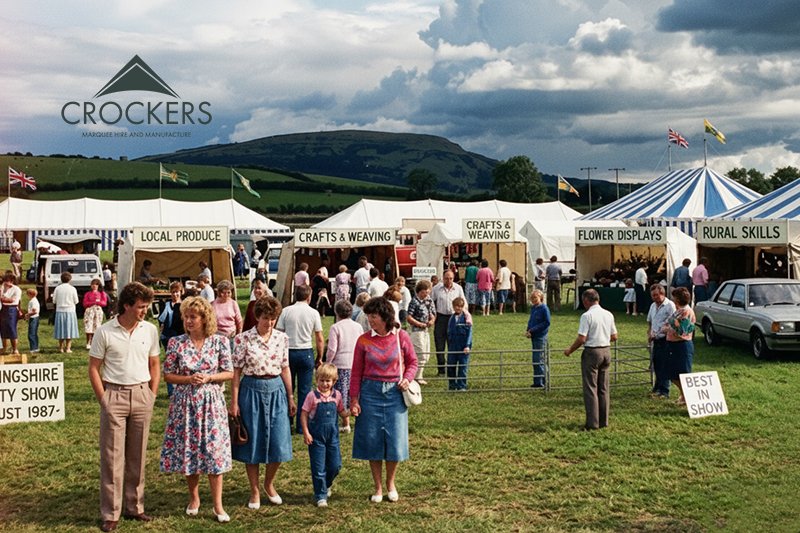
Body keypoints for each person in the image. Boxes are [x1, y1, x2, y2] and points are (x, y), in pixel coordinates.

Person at [88, 282, 160, 532]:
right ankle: (111, 513)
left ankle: (135, 506)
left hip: (141, 394)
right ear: (127, 306)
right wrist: (104, 400)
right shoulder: (105, 331)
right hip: (114, 395)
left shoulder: (150, 330)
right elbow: (93, 368)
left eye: (146, 306)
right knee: (112, 457)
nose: (145, 311)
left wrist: (151, 395)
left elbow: (155, 364)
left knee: (138, 455)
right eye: (141, 307)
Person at [160, 296, 234, 523]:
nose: (189, 321)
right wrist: (187, 379)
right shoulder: (176, 343)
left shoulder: (219, 341)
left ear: (204, 318)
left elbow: (229, 372)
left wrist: (209, 377)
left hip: (212, 404)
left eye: (193, 317)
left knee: (214, 452)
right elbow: (167, 374)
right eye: (186, 317)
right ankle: (194, 498)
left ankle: (218, 505)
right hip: (185, 404)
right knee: (189, 450)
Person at [350, 297, 418, 503]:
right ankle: (378, 487)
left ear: (385, 316)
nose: (370, 320)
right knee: (372, 440)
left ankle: (391, 483)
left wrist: (407, 379)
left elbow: (413, 362)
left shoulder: (401, 336)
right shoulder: (363, 340)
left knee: (395, 440)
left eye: (374, 316)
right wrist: (354, 400)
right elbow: (356, 372)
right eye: (368, 316)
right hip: (370, 393)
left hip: (395, 393)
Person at [231, 295, 295, 509]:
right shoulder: (243, 339)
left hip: (276, 389)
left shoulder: (282, 338)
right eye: (266, 318)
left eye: (273, 318)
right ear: (257, 317)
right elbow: (236, 371)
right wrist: (234, 401)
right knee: (253, 441)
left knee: (278, 440)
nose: (269, 322)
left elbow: (285, 367)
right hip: (251, 389)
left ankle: (269, 484)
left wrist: (290, 396)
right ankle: (254, 490)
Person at [563, 289, 618, 431]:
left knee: (590, 388)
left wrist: (570, 350)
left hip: (592, 352)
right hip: (606, 351)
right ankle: (603, 421)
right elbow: (614, 336)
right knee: (603, 388)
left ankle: (592, 423)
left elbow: (582, 338)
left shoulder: (587, 316)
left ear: (586, 300)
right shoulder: (608, 314)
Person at [276, 285, 325, 433]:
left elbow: (278, 333)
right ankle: (301, 424)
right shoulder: (313, 313)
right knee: (304, 390)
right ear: (309, 297)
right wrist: (319, 356)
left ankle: (286, 419)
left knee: (288, 388)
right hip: (305, 351)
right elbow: (319, 338)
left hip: (288, 351)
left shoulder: (286, 311)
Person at [300, 363, 348, 507]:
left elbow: (342, 412)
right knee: (318, 467)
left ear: (334, 381)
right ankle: (321, 495)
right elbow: (304, 414)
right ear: (317, 380)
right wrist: (306, 432)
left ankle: (326, 484)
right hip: (316, 438)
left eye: (328, 381)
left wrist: (351, 412)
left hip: (332, 437)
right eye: (321, 380)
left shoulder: (337, 395)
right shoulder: (312, 396)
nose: (324, 384)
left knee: (335, 465)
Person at [326, 299, 362, 433]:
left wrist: (328, 363)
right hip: (355, 363)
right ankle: (356, 418)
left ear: (337, 312)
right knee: (354, 393)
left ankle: (345, 423)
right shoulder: (358, 326)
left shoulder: (335, 327)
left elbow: (332, 349)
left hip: (340, 364)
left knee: (340, 394)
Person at [664, 287, 696, 406]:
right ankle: (683, 395)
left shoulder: (686, 311)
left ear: (678, 299)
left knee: (682, 373)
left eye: (674, 297)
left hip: (682, 345)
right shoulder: (679, 310)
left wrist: (668, 328)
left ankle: (686, 397)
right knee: (673, 374)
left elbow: (682, 331)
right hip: (673, 344)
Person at [431, 270, 465, 377]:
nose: (449, 281)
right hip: (440, 318)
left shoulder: (458, 288)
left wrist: (464, 317)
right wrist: (432, 316)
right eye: (446, 278)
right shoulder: (436, 288)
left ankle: (451, 369)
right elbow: (430, 302)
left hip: (453, 318)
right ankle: (441, 370)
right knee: (439, 344)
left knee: (453, 344)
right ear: (443, 278)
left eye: (451, 278)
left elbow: (464, 303)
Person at [647, 284, 676, 399]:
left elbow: (674, 323)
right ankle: (657, 387)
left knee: (664, 364)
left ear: (662, 294)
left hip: (666, 339)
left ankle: (664, 390)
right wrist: (649, 334)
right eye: (652, 296)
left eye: (656, 295)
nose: (654, 298)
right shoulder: (652, 306)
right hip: (655, 339)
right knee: (656, 363)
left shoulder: (670, 305)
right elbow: (650, 321)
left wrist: (665, 331)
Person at [158, 281, 185, 397]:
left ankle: (181, 388)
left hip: (181, 337)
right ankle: (171, 391)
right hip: (168, 337)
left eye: (177, 292)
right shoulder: (166, 305)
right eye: (173, 292)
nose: (175, 294)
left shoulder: (185, 305)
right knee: (170, 363)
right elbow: (161, 320)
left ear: (181, 292)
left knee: (182, 363)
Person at [406, 279, 435, 385]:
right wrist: (419, 324)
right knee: (420, 353)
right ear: (419, 291)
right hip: (416, 331)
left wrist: (432, 320)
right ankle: (416, 377)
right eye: (423, 292)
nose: (425, 294)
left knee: (426, 354)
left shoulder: (429, 300)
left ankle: (419, 375)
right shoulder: (414, 302)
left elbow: (433, 313)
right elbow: (409, 317)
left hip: (426, 330)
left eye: (427, 292)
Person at [446, 297, 472, 391]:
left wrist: (467, 345)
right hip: (453, 346)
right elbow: (449, 332)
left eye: (460, 306)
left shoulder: (466, 318)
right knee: (450, 365)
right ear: (453, 307)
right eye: (456, 306)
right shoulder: (451, 318)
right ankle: (452, 385)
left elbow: (469, 333)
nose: (458, 308)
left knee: (463, 366)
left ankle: (462, 386)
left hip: (463, 345)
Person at [526, 289, 550, 389]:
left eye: (535, 298)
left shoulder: (544, 308)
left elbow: (546, 323)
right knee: (535, 359)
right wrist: (528, 329)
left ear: (541, 297)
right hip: (534, 335)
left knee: (539, 359)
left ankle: (543, 382)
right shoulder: (533, 308)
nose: (533, 300)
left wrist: (532, 330)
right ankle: (537, 381)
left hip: (540, 336)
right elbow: (531, 320)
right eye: (532, 298)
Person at [53, 271, 79, 353]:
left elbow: (54, 300)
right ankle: (68, 348)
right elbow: (76, 301)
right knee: (69, 330)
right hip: (70, 311)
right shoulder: (72, 288)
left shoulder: (57, 288)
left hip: (60, 311)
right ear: (70, 279)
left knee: (61, 330)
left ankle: (61, 348)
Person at [83, 278, 109, 350]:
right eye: (93, 284)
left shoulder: (102, 293)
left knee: (97, 326)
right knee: (89, 326)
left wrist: (98, 302)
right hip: (89, 311)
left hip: (98, 311)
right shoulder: (88, 294)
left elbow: (104, 303)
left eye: (96, 284)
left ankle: (95, 342)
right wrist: (92, 302)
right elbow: (85, 303)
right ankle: (88, 342)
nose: (94, 286)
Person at [0, 272, 22, 355]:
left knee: (11, 329)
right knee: (3, 329)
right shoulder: (3, 288)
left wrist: (2, 297)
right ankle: (4, 348)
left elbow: (11, 300)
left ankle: (15, 349)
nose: (5, 282)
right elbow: (3, 299)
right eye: (4, 281)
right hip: (3, 309)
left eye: (7, 280)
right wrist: (2, 290)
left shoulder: (16, 289)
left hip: (12, 309)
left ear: (12, 281)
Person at [24, 287, 40, 353]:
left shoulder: (33, 301)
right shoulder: (34, 300)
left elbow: (34, 311)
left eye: (27, 294)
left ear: (31, 294)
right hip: (34, 318)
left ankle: (33, 349)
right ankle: (36, 347)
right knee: (34, 333)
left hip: (33, 318)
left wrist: (27, 315)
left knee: (31, 334)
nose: (27, 295)